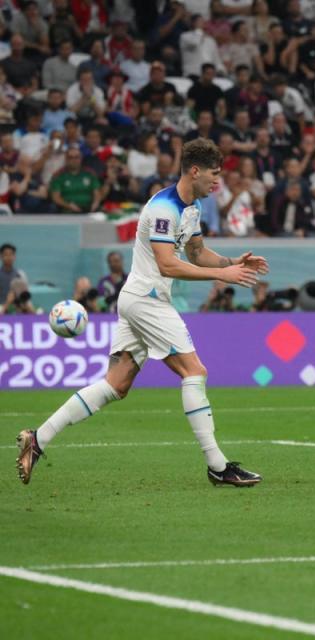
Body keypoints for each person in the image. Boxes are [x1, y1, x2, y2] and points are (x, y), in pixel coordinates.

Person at [16, 139, 267, 488]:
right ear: (194, 170)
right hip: (147, 299)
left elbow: (196, 253)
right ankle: (218, 465)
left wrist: (231, 262)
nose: (217, 182)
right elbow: (166, 263)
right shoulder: (164, 208)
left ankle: (37, 438)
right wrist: (221, 276)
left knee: (115, 385)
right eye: (213, 174)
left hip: (138, 299)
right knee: (194, 371)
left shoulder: (191, 206)